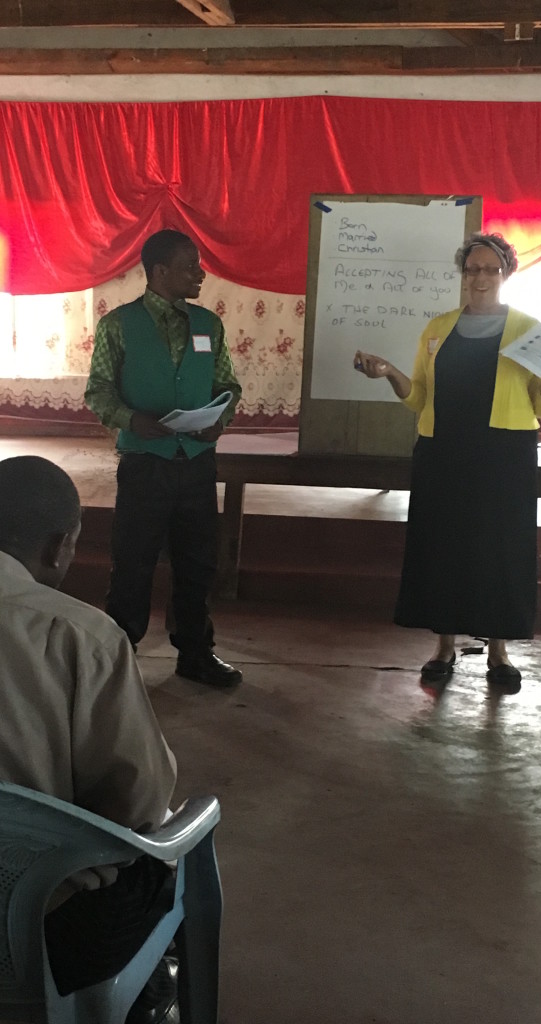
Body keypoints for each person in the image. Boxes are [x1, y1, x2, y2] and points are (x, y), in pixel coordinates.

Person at [0, 455, 179, 1021]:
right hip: (32, 935)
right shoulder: (83, 637)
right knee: (167, 850)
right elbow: (139, 802)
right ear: (60, 546)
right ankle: (143, 990)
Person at [354, 232, 541, 692]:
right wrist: (390, 372)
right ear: (463, 274)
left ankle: (499, 651)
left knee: (500, 547)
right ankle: (443, 648)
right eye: (472, 269)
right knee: (444, 546)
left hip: (503, 454)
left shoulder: (530, 329)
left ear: (506, 274)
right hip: (444, 453)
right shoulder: (437, 329)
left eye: (490, 269)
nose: (480, 278)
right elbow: (417, 398)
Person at [85, 228, 243, 688]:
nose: (200, 272)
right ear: (160, 271)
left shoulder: (208, 325)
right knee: (133, 561)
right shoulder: (118, 325)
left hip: (196, 462)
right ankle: (119, 659)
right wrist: (133, 420)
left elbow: (227, 385)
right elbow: (98, 391)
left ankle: (196, 653)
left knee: (197, 562)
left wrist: (221, 417)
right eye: (190, 265)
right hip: (145, 463)